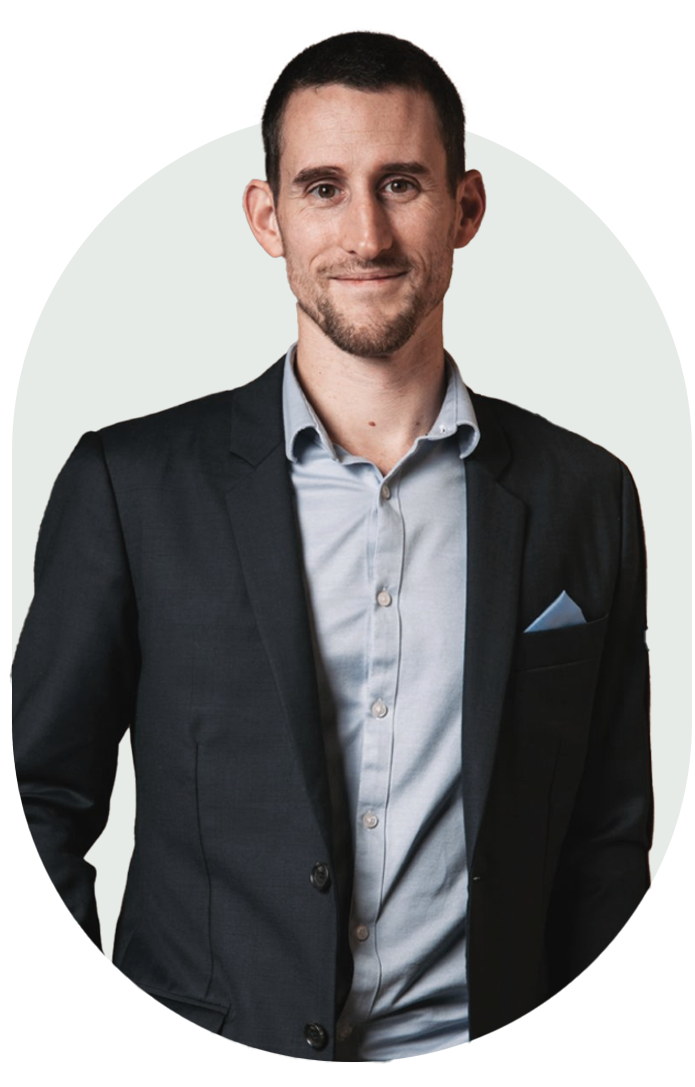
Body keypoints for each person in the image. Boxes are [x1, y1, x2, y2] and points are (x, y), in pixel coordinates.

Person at [10, 30, 654, 1065]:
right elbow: (36, 801)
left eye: (400, 183)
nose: (365, 233)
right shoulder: (127, 485)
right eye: (322, 187)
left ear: (465, 208)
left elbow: (608, 838)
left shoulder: (588, 494)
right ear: (267, 218)